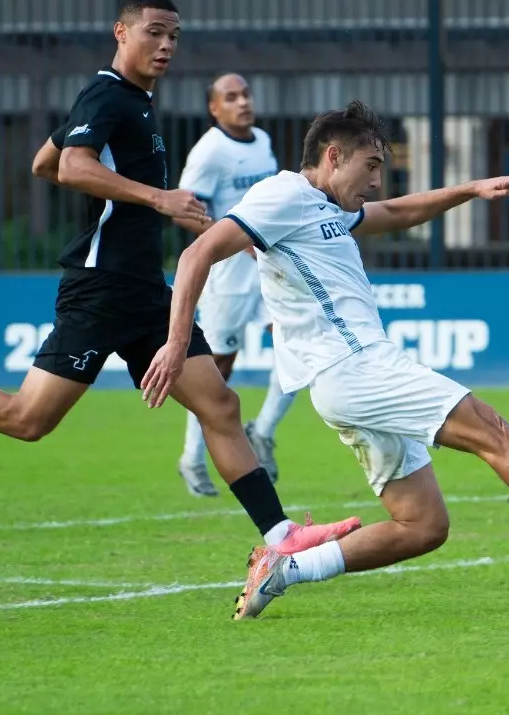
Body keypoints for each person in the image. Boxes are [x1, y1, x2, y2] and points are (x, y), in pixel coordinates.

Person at [0, 0, 360, 556]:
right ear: (121, 33)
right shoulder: (108, 94)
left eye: (174, 35)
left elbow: (42, 162)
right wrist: (158, 197)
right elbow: (72, 165)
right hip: (100, 287)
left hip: (144, 289)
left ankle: (278, 535)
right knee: (27, 418)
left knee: (220, 405)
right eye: (155, 32)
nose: (167, 45)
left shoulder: (132, 102)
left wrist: (160, 207)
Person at [139, 100, 509, 620]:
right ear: (332, 156)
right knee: (492, 431)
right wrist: (176, 340)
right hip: (355, 367)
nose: (377, 179)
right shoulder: (281, 195)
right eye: (371, 164)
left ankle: (287, 568)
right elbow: (197, 252)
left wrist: (470, 189)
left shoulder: (324, 207)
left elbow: (398, 212)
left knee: (423, 525)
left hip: (347, 380)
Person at [174, 73, 292, 496]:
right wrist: (233, 237)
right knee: (217, 370)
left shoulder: (261, 140)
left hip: (268, 268)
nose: (243, 102)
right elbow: (184, 211)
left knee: (297, 348)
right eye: (231, 97)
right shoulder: (209, 151)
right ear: (214, 108)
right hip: (226, 276)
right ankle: (191, 456)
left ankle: (262, 431)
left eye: (245, 94)